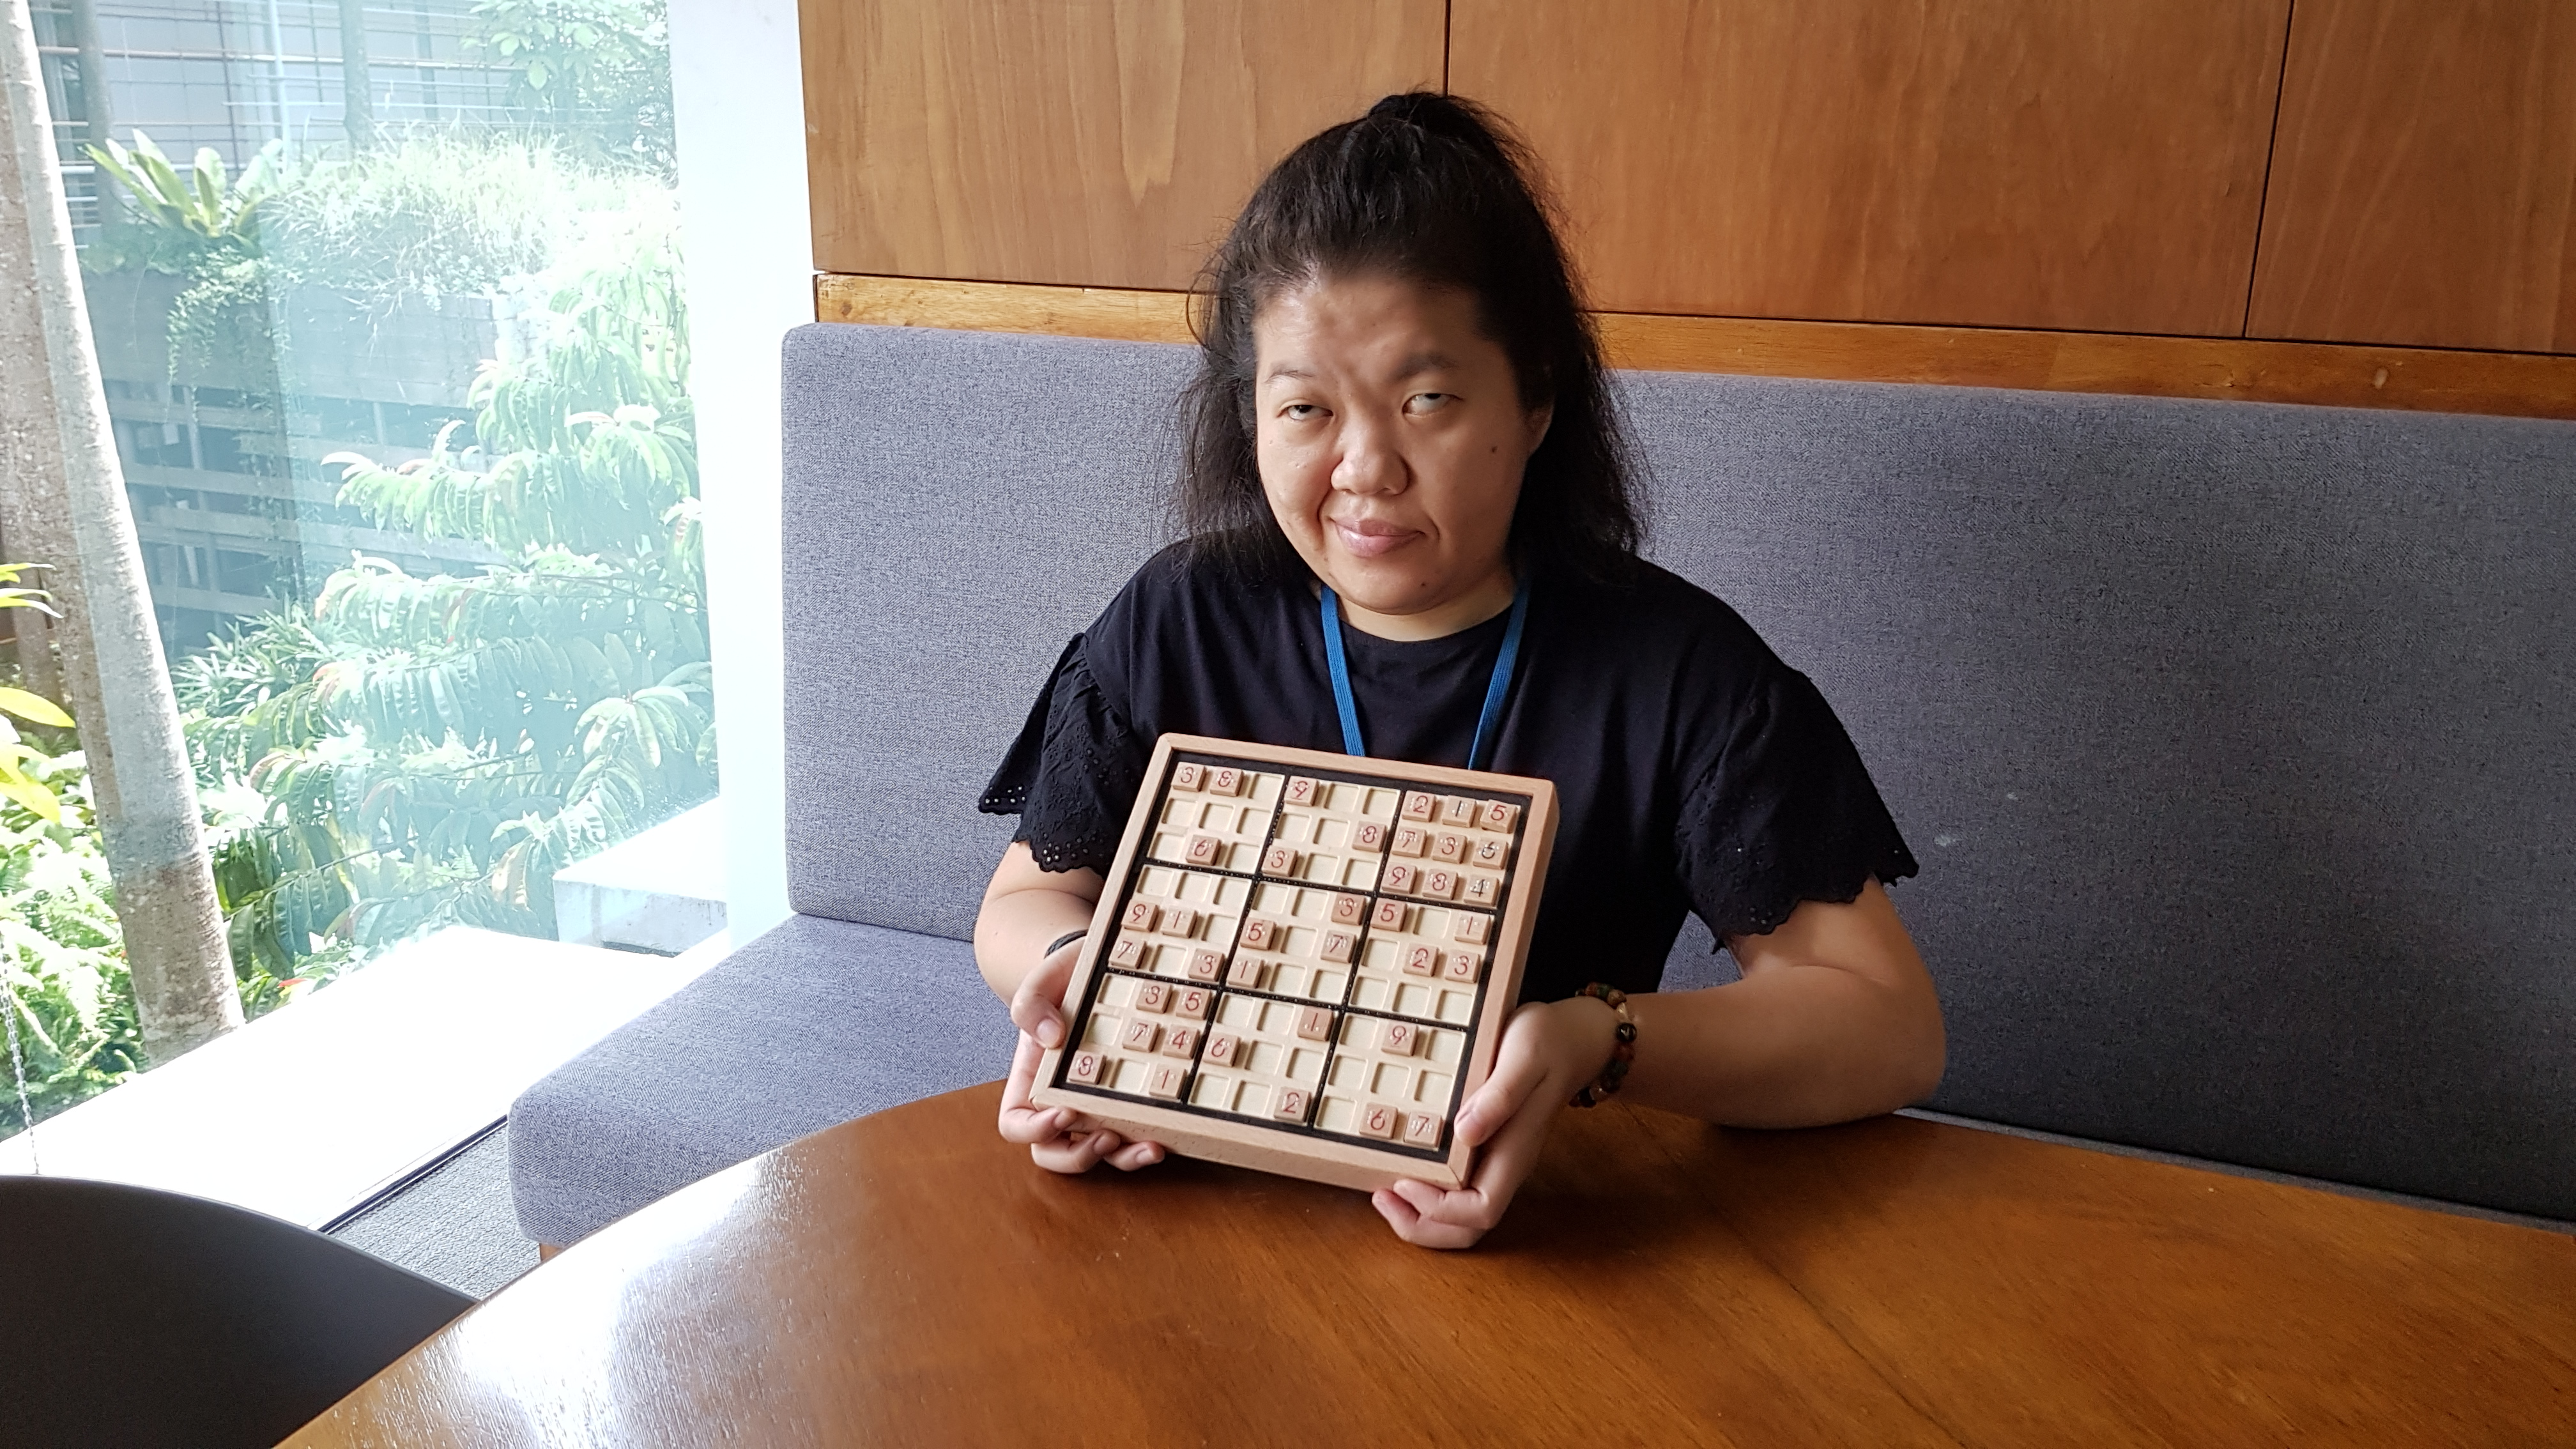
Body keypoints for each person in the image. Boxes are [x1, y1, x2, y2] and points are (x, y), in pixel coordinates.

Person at [972, 91, 1944, 1250]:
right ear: (1251, 415)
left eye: (1426, 400)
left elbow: (1886, 1029)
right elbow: (1029, 899)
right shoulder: (1182, 616)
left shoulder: (1675, 670)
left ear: (1535, 398)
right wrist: (1096, 985)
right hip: (1194, 1208)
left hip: (1551, 1240)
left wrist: (1602, 1040)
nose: (1364, 468)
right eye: (1305, 410)